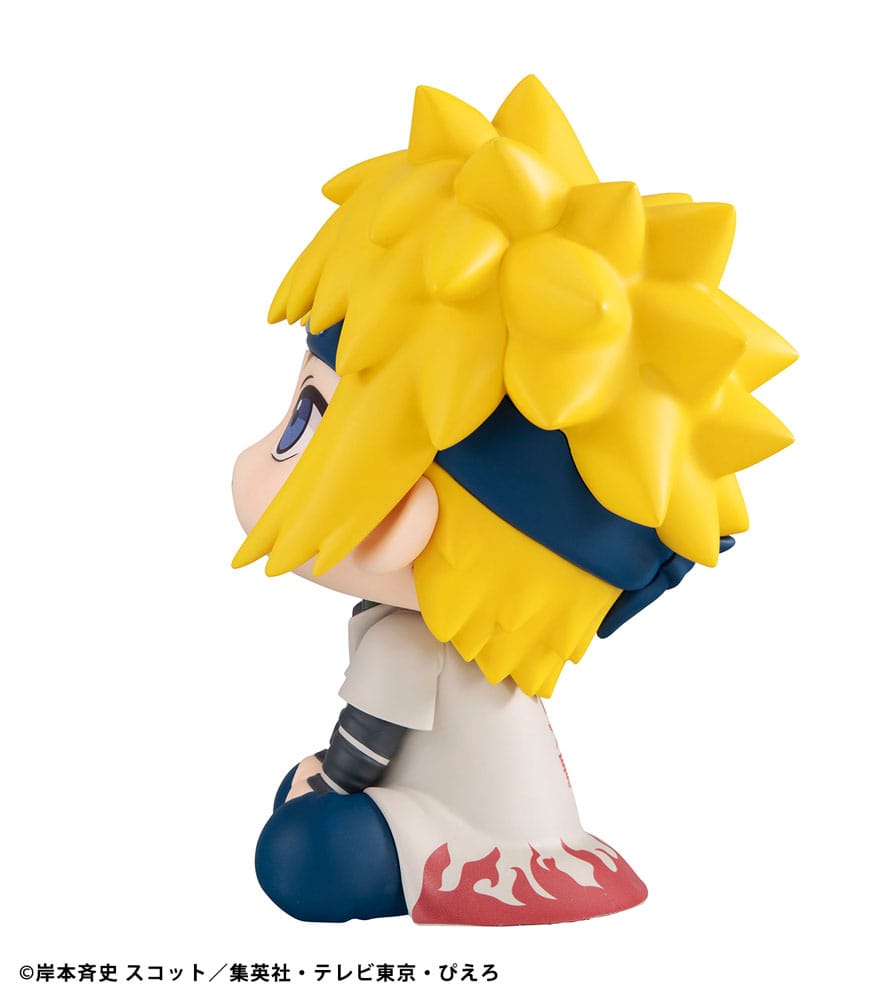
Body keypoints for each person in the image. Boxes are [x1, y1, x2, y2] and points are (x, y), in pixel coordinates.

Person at [231, 76, 796, 924]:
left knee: (299, 849)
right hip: (525, 836)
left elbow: (361, 750)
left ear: (399, 518)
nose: (264, 453)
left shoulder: (412, 641)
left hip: (463, 848)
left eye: (308, 418)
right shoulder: (468, 647)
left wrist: (328, 781)